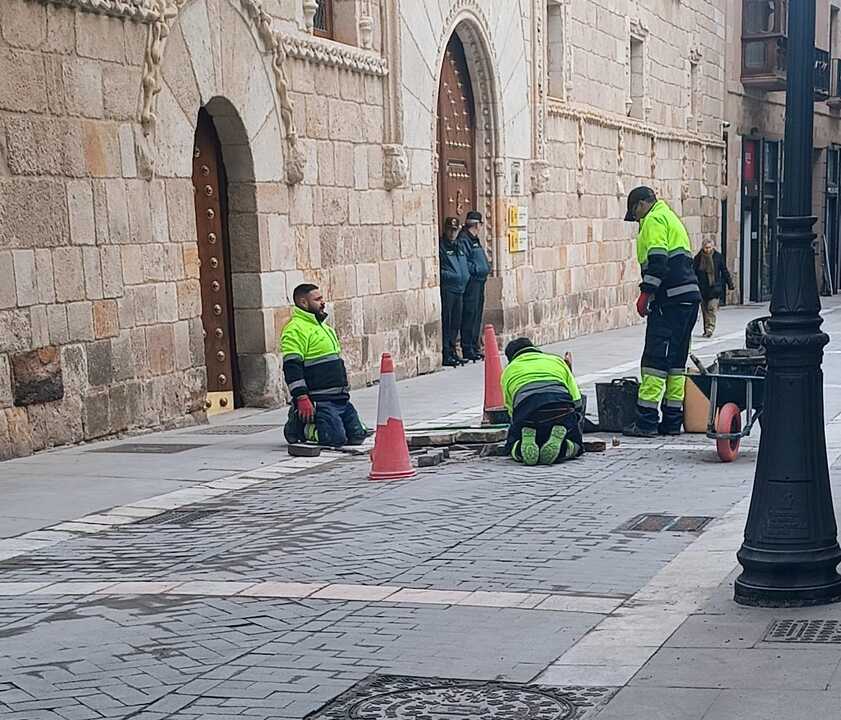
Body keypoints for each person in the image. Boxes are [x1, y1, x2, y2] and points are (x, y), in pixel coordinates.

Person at [623, 186, 701, 438]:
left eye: (635, 214)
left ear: (641, 205)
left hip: (670, 301)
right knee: (676, 362)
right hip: (688, 299)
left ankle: (646, 422)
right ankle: (671, 421)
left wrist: (646, 293)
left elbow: (658, 260)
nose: (636, 221)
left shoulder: (654, 219)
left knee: (655, 361)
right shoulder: (671, 218)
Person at [281, 283, 368, 447]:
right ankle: (298, 427)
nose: (323, 302)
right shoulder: (295, 329)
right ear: (303, 303)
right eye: (318, 299)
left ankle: (332, 424)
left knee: (358, 436)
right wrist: (302, 398)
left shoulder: (325, 328)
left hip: (341, 398)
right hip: (320, 400)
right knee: (335, 440)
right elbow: (292, 368)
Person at [501, 338, 584, 466]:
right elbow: (577, 400)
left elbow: (511, 408)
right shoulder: (556, 361)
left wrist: (519, 423)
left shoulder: (508, 370)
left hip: (527, 412)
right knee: (577, 444)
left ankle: (520, 448)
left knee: (511, 443)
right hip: (560, 409)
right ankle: (563, 448)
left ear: (511, 358)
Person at [459, 210, 491, 361]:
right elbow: (464, 262)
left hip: (480, 281)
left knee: (477, 314)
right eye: (480, 224)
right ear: (477, 224)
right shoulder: (464, 239)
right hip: (472, 282)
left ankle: (474, 345)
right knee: (470, 314)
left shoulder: (474, 239)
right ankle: (468, 347)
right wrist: (477, 269)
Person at [439, 216, 470, 367]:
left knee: (456, 322)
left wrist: (465, 275)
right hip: (449, 289)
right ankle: (446, 352)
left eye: (455, 230)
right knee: (448, 321)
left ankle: (453, 350)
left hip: (460, 289)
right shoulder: (441, 246)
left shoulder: (459, 246)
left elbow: (464, 264)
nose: (452, 233)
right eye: (450, 230)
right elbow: (438, 270)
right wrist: (453, 277)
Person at [693, 239, 734, 338]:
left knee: (711, 309)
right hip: (702, 288)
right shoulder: (698, 258)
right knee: (705, 310)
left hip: (714, 288)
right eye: (706, 248)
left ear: (713, 247)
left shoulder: (718, 257)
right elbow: (694, 272)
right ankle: (706, 329)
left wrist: (730, 284)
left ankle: (710, 328)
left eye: (709, 247)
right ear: (703, 247)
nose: (708, 250)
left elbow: (724, 271)